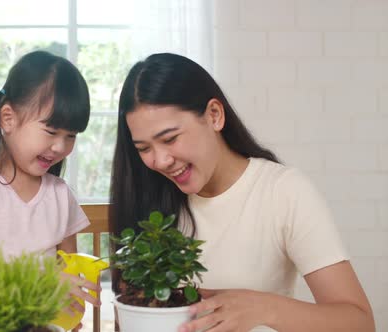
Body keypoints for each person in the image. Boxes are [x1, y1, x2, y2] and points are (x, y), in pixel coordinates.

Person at [109, 53, 374, 332]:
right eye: (144, 149)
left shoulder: (283, 192)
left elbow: (359, 323)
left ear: (214, 115)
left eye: (170, 138)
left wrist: (262, 306)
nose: (160, 161)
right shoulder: (148, 201)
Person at [0, 51, 101, 331]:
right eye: (51, 131)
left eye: (70, 136)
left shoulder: (60, 196)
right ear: (8, 119)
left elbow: (67, 269)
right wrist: (40, 280)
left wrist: (70, 309)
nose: (61, 147)